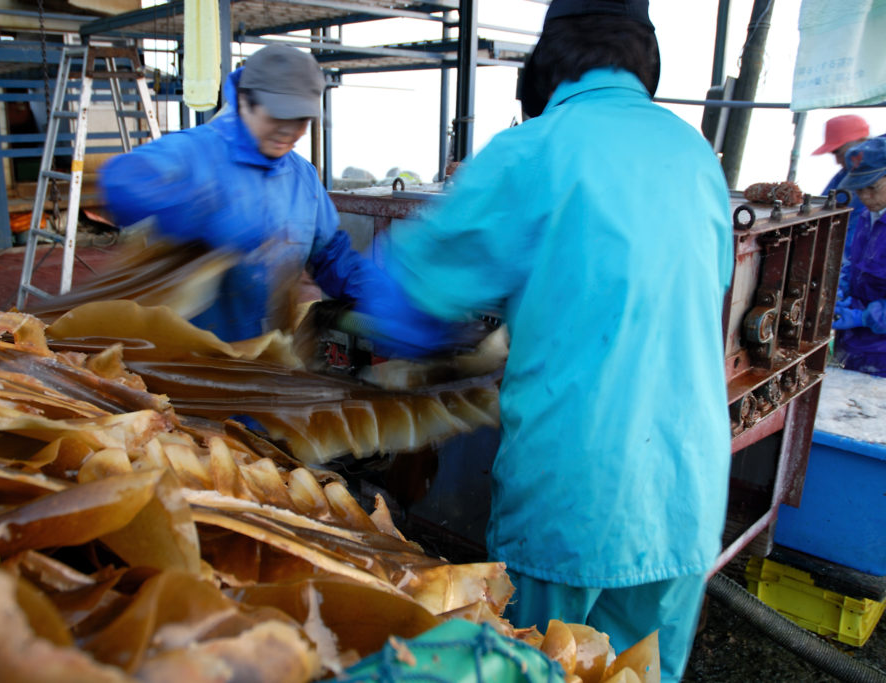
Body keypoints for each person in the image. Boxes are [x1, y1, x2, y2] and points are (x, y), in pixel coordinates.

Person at [359, 1, 733, 679]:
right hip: (687, 496)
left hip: (575, 502)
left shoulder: (536, 149)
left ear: (544, 70)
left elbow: (409, 299)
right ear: (645, 62)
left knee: (543, 663)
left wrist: (337, 307)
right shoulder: (695, 156)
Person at [99, 44, 385, 343]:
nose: (287, 130)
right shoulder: (193, 152)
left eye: (300, 119)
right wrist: (205, 214)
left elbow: (330, 256)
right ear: (246, 101)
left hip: (261, 355)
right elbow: (120, 181)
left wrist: (383, 297)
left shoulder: (304, 179)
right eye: (278, 115)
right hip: (182, 355)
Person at [831, 136, 886, 376]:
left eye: (872, 187)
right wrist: (840, 288)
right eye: (859, 188)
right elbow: (854, 265)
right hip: (852, 348)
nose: (864, 196)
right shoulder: (867, 216)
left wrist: (865, 316)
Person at [813, 114, 870, 219]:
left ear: (862, 142)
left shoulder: (880, 177)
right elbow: (819, 207)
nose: (837, 161)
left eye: (838, 152)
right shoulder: (842, 175)